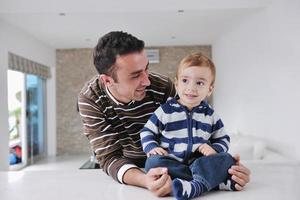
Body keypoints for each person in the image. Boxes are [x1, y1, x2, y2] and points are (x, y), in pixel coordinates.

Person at [77, 31, 250, 197]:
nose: (147, 80)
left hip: (180, 161)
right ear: (107, 80)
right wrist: (145, 180)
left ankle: (200, 182)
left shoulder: (162, 86)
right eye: (136, 75)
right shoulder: (90, 99)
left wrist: (229, 168)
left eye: (146, 68)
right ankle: (207, 181)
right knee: (154, 163)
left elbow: (198, 130)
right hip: (148, 164)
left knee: (226, 161)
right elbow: (109, 158)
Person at [140, 52, 237, 199]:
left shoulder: (210, 115)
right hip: (172, 162)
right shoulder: (165, 111)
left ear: (209, 89)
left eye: (200, 83)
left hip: (199, 162)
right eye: (185, 80)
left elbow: (223, 138)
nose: (191, 88)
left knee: (228, 158)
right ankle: (210, 182)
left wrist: (214, 149)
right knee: (151, 163)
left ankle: (194, 185)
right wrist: (152, 147)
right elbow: (147, 131)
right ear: (177, 84)